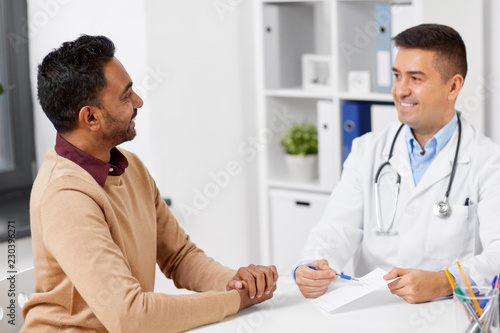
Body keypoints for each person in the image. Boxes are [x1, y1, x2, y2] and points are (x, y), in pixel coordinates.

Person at [21, 35, 278, 332]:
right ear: (90, 117)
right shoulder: (64, 196)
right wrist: (234, 301)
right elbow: (130, 315)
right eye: (125, 96)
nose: (139, 101)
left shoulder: (130, 168)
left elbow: (179, 256)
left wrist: (235, 282)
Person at [294, 23, 500, 304]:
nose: (400, 90)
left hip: (446, 312)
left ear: (453, 86)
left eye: (415, 78)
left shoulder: (488, 161)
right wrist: (311, 266)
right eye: (397, 75)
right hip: (374, 310)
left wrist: (444, 281)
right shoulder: (367, 151)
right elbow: (336, 229)